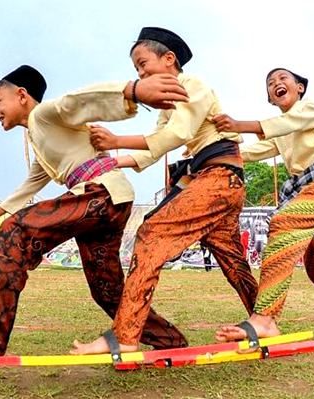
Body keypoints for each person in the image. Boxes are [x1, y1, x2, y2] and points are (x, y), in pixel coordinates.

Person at [0, 62, 192, 356]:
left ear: (21, 95)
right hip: (112, 201)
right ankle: (169, 340)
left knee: (14, 232)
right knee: (105, 289)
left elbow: (78, 101)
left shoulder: (45, 116)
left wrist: (132, 91)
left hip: (100, 194)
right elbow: (31, 183)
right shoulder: (38, 138)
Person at [72, 27, 259, 355]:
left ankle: (126, 335)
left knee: (150, 234)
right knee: (230, 255)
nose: (141, 74)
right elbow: (152, 150)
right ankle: (264, 318)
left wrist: (115, 141)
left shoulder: (194, 86)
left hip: (217, 178)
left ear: (169, 59)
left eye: (144, 64)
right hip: (217, 179)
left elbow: (177, 134)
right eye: (136, 70)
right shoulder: (166, 106)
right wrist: (108, 163)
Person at [201, 68, 314, 348]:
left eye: (283, 79)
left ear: (299, 88)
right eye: (270, 84)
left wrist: (238, 125)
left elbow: (285, 124)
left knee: (282, 222)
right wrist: (210, 155)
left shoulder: (309, 109)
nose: (276, 84)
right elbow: (249, 152)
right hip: (306, 191)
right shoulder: (279, 132)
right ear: (271, 99)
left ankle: (265, 319)